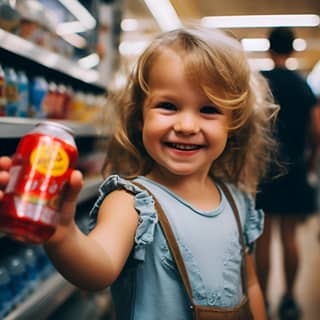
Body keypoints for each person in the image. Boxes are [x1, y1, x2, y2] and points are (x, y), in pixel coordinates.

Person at [0, 27, 277, 320]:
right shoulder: (132, 202)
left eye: (209, 110)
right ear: (139, 115)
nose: (186, 125)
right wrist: (62, 235)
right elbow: (99, 269)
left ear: (233, 124)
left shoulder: (237, 203)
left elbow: (250, 284)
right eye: (168, 106)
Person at [255, 27, 319, 320]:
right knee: (290, 236)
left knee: (264, 237)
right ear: (293, 50)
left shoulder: (260, 83)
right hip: (294, 167)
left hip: (263, 168)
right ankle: (290, 299)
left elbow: (249, 125)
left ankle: (264, 300)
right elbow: (317, 129)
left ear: (269, 49)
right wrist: (310, 161)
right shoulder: (303, 86)